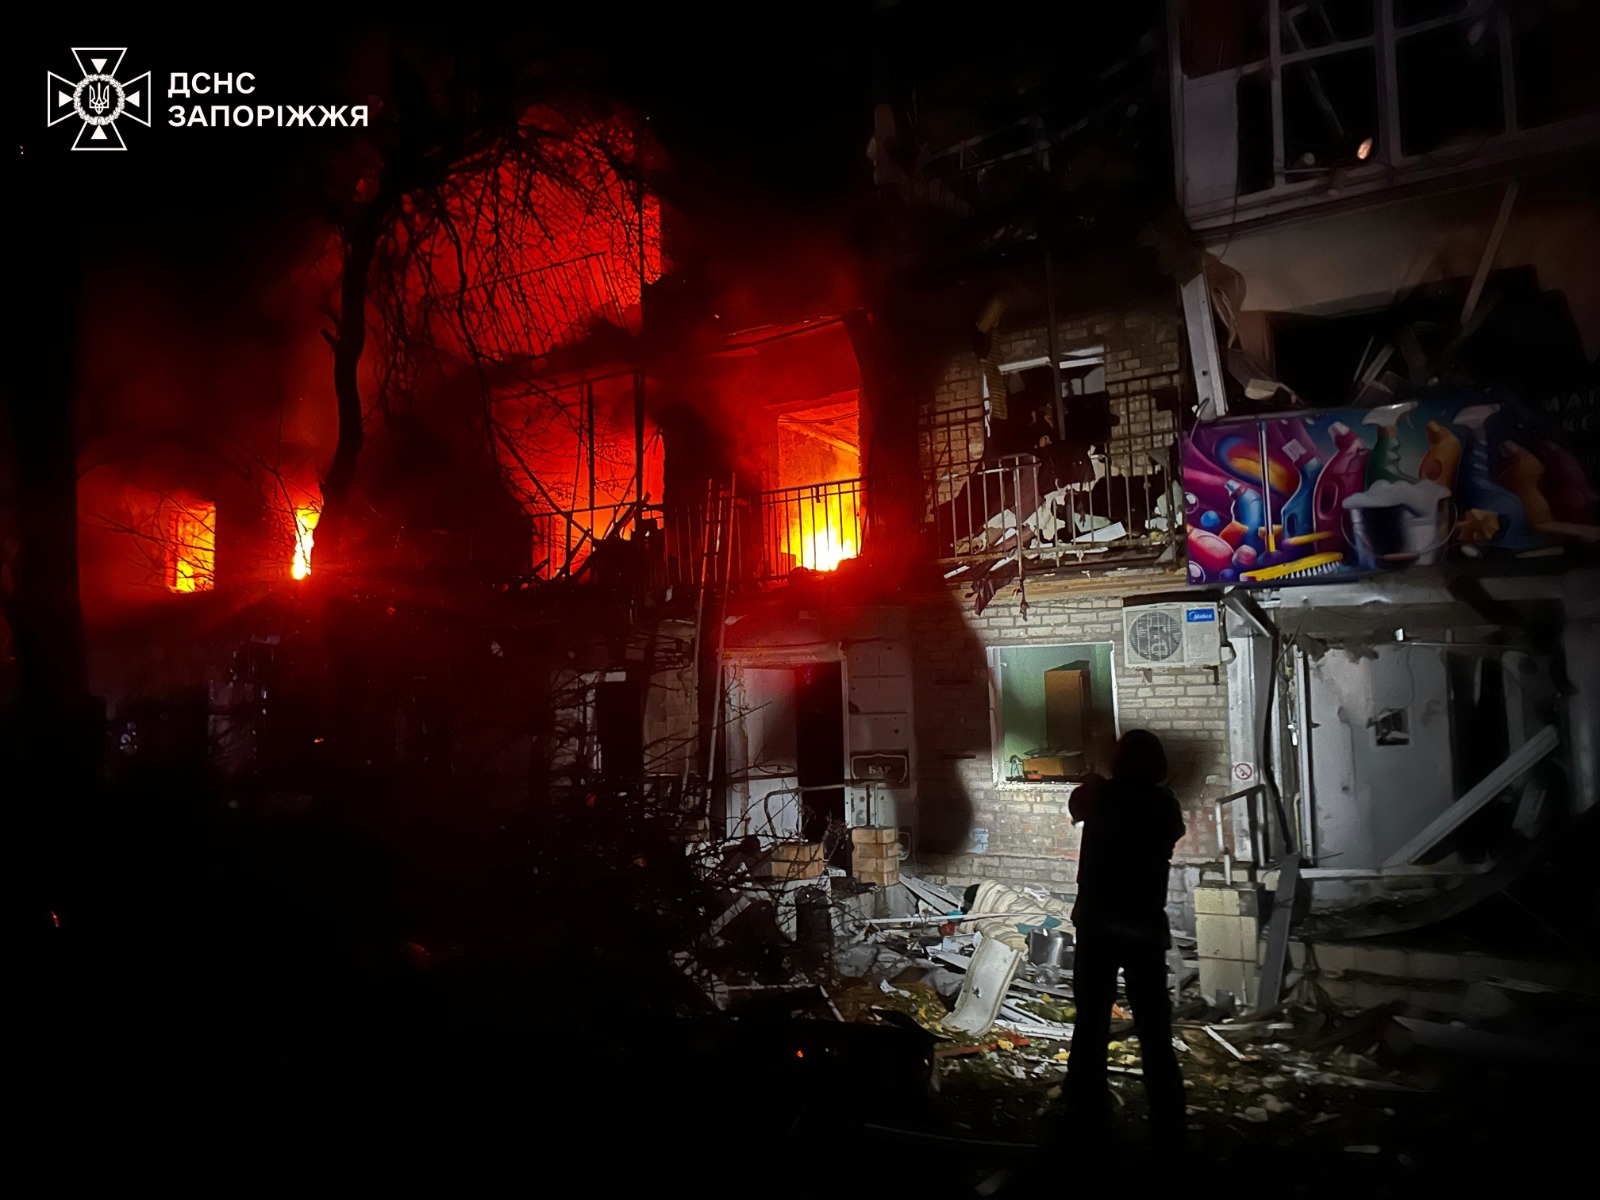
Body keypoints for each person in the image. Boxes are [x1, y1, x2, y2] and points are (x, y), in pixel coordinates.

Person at [1063, 728, 1187, 1148]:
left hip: (1098, 925)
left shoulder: (1099, 795)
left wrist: (1096, 779)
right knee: (1154, 1029)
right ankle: (1168, 1120)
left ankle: (1084, 1115)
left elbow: (1076, 805)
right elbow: (1171, 833)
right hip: (1143, 928)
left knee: (1091, 1023)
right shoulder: (1164, 805)